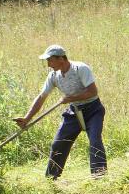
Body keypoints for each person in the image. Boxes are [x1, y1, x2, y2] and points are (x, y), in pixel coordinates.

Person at [14, 45, 107, 178]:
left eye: (50, 60)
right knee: (58, 143)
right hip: (73, 112)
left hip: (93, 110)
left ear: (61, 59)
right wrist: (27, 118)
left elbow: (93, 92)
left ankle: (100, 176)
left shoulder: (80, 68)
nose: (48, 65)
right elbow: (41, 97)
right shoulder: (53, 76)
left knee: (95, 142)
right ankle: (51, 177)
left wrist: (71, 98)